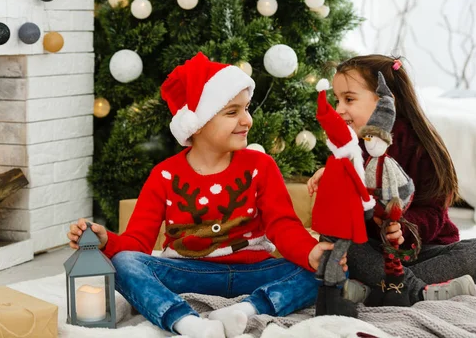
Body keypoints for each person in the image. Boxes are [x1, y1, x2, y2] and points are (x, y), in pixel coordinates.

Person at [69, 53, 345, 338]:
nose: (247, 120)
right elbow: (137, 244)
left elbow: (282, 225)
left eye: (246, 108)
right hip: (186, 273)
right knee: (123, 263)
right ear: (197, 124)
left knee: (327, 270)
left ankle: (246, 310)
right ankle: (187, 323)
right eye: (232, 112)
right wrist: (106, 240)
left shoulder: (260, 166)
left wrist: (310, 252)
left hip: (255, 272)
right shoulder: (164, 175)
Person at [307, 55, 476, 305]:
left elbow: (433, 212)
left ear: (386, 101)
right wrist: (332, 177)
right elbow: (347, 212)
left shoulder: (418, 145)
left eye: (349, 99)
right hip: (373, 251)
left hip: (420, 250)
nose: (339, 109)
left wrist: (402, 228)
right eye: (337, 99)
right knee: (333, 240)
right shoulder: (350, 147)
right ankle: (414, 291)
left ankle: (381, 290)